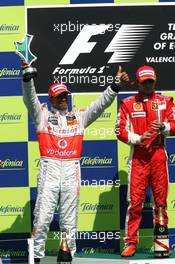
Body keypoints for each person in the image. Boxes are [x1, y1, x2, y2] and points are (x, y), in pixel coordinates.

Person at [21, 61, 129, 263]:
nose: (64, 99)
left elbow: (99, 106)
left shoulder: (78, 117)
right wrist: (27, 79)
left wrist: (114, 86)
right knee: (43, 217)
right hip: (50, 167)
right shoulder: (42, 115)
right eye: (60, 96)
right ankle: (35, 258)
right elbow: (30, 100)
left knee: (69, 219)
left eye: (65, 95)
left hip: (71, 167)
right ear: (51, 98)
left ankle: (67, 256)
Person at [116, 65, 175, 257]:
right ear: (138, 82)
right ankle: (131, 242)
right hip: (138, 157)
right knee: (135, 203)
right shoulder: (127, 103)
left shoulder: (166, 101)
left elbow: (174, 125)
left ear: (155, 81)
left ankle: (162, 242)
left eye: (151, 81)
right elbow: (120, 130)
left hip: (158, 154)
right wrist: (138, 139)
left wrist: (164, 127)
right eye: (144, 82)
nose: (148, 85)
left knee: (160, 202)